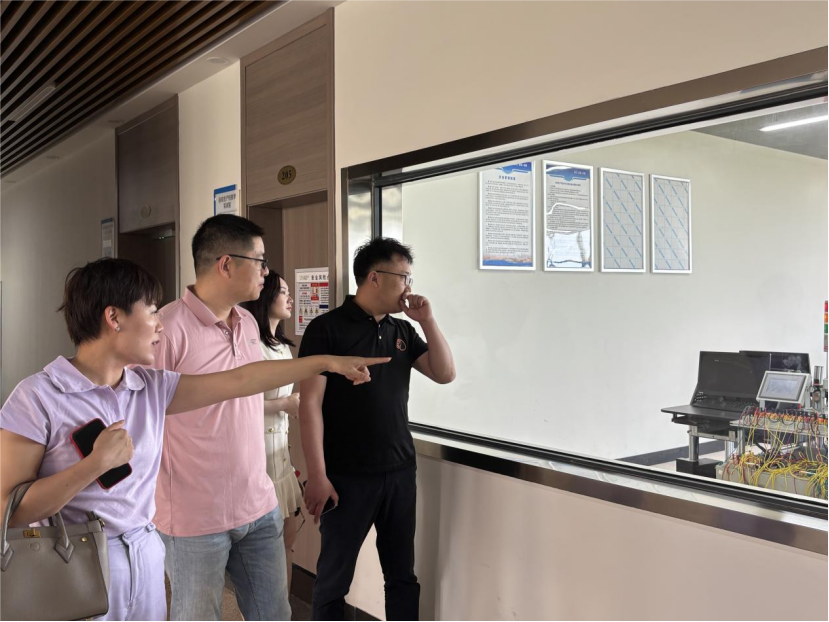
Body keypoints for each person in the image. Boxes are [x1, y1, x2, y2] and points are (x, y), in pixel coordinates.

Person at [0, 258, 387, 622]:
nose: (160, 325)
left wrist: (326, 363)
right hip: (75, 561)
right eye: (152, 312)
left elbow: (242, 380)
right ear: (114, 318)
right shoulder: (39, 397)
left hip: (145, 557)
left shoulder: (151, 387)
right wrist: (93, 466)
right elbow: (8, 509)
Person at [151, 214, 306, 621]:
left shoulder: (249, 322)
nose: (266, 272)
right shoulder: (167, 329)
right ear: (226, 264)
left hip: (258, 504)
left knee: (274, 614)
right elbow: (142, 416)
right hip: (194, 516)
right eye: (260, 261)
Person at [299, 237, 456, 621]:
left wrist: (427, 321)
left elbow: (445, 373)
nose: (408, 286)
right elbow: (309, 405)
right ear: (374, 277)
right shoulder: (326, 329)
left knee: (402, 576)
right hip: (346, 476)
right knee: (334, 580)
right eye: (403, 277)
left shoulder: (402, 330)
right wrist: (317, 475)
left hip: (399, 471)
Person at [241, 271, 303, 592]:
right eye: (283, 292)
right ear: (265, 297)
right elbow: (236, 403)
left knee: (287, 543)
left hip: (280, 456)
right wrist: (283, 404)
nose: (290, 298)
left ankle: (284, 610)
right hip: (257, 457)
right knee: (261, 556)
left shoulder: (282, 346)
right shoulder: (250, 346)